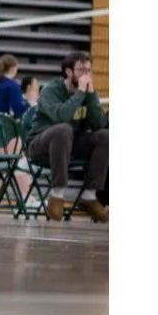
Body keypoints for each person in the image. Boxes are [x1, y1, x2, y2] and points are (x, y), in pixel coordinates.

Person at [27, 52, 109, 223]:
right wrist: (80, 93)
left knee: (104, 136)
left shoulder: (87, 92)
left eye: (88, 70)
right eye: (81, 70)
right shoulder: (51, 90)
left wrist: (92, 95)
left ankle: (89, 195)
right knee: (63, 129)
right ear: (68, 72)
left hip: (71, 146)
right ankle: (57, 194)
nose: (86, 74)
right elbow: (61, 117)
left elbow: (98, 124)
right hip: (40, 145)